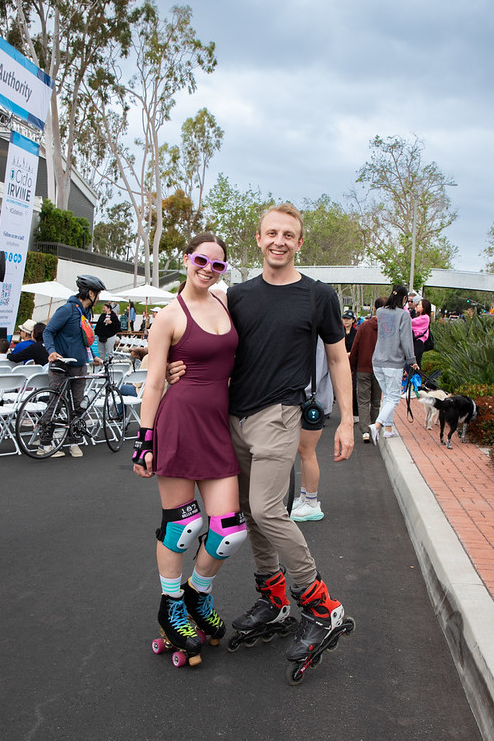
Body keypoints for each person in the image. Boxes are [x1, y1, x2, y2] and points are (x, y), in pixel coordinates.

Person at [169, 203, 354, 669]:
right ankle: (273, 598)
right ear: (258, 238)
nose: (279, 241)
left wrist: (348, 420)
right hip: (232, 416)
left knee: (270, 509)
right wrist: (176, 368)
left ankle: (321, 605)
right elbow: (204, 339)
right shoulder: (236, 296)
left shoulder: (318, 296)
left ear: (299, 242)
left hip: (280, 414)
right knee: (250, 511)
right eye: (271, 233)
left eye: (288, 235)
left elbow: (337, 359)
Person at [133, 232, 247, 662]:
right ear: (186, 259)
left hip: (217, 425)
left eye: (217, 265)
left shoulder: (225, 303)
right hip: (179, 422)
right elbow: (154, 380)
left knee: (229, 530)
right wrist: (144, 440)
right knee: (182, 527)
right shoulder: (168, 316)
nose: (208, 269)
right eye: (202, 260)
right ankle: (171, 605)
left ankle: (198, 594)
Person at [41, 275, 105, 458]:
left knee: (79, 405)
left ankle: (74, 442)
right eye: (98, 294)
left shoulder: (85, 313)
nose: (98, 298)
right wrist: (52, 351)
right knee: (55, 403)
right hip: (61, 365)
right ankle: (45, 444)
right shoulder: (67, 310)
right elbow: (48, 331)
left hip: (79, 365)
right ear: (90, 293)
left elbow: (85, 338)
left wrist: (94, 356)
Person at [369, 285, 419, 444]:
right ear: (404, 299)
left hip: (377, 361)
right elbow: (406, 340)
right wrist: (412, 360)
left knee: (388, 396)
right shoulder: (403, 315)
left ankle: (388, 429)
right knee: (394, 397)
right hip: (393, 362)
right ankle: (377, 425)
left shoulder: (380, 312)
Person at [291, 338, 334, 522]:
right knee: (304, 451)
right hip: (313, 399)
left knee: (307, 451)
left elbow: (314, 371)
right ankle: (304, 497)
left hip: (311, 400)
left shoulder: (316, 336)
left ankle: (311, 502)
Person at [349, 297, 386, 443]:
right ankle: (374, 429)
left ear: (375, 309)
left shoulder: (364, 326)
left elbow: (355, 347)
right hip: (380, 369)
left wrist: (352, 366)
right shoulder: (389, 328)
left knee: (363, 400)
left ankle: (365, 431)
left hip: (363, 368)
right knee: (376, 401)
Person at [342, 309, 358, 422]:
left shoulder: (356, 334)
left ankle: (355, 412)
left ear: (353, 320)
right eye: (344, 319)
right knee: (342, 389)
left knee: (353, 388)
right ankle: (345, 414)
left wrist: (349, 354)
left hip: (353, 363)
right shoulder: (339, 333)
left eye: (348, 319)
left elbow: (357, 349)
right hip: (341, 363)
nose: (346, 321)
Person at [411, 297, 431, 368]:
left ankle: (415, 378)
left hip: (418, 343)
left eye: (419, 305)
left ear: (424, 307)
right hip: (416, 342)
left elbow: (411, 322)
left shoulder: (425, 317)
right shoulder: (422, 316)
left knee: (414, 365)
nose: (417, 306)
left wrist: (405, 311)